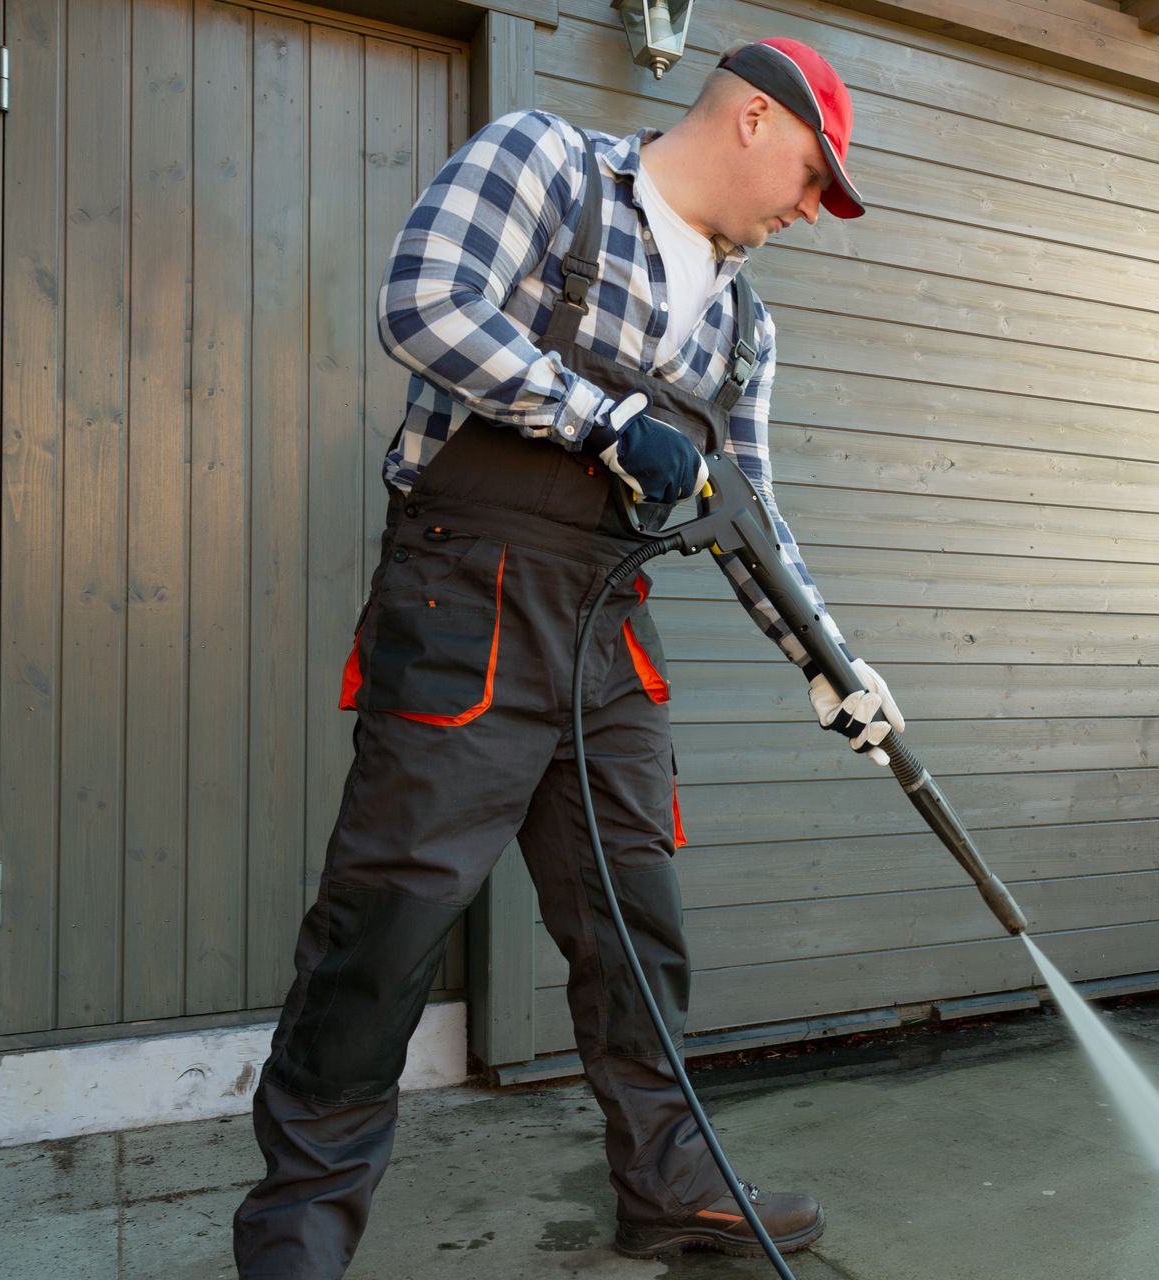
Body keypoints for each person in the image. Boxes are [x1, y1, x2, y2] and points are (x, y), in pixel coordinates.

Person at [232, 37, 904, 1277]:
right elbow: (426, 303)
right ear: (755, 117)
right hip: (467, 598)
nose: (812, 210)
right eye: (813, 175)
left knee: (633, 923)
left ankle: (667, 1183)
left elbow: (752, 510)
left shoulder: (746, 326)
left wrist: (833, 662)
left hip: (608, 626)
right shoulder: (548, 163)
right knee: (388, 922)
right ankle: (297, 1234)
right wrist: (607, 421)